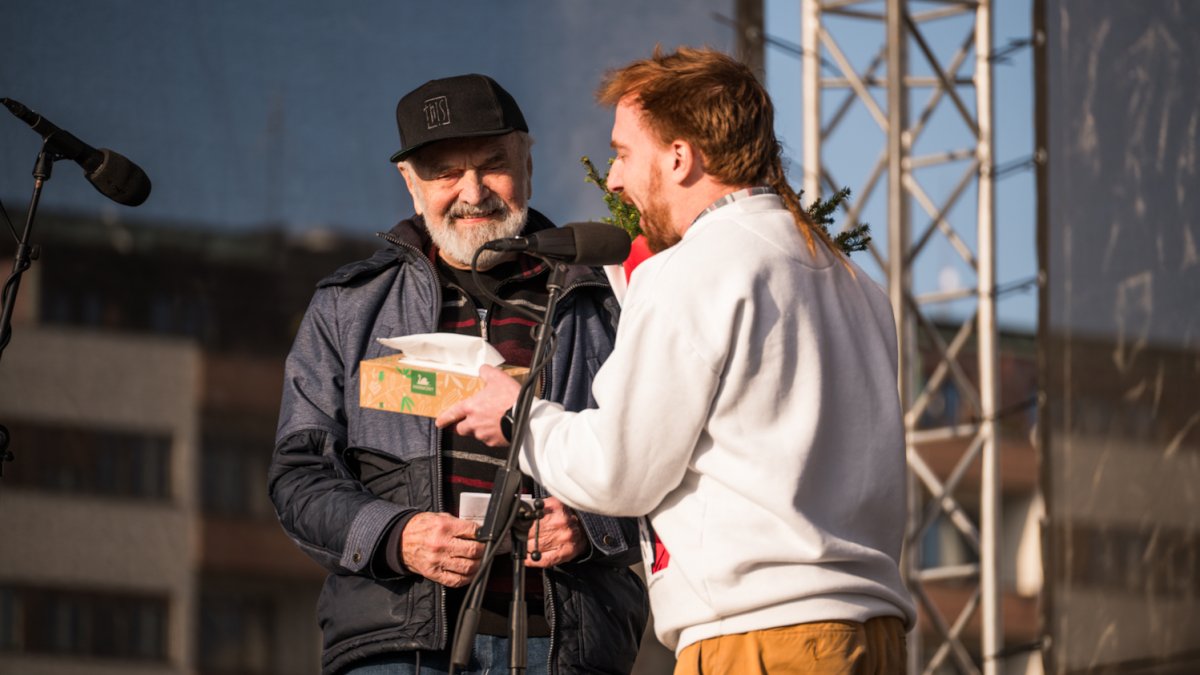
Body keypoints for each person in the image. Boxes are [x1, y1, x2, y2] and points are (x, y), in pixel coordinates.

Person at [438, 48, 917, 674]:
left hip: (761, 639)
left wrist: (515, 414)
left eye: (623, 153)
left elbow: (620, 472)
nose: (612, 179)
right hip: (869, 633)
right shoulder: (852, 280)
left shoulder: (695, 269)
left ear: (679, 156)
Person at [269, 73, 647, 675]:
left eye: (493, 164)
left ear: (527, 161)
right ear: (410, 184)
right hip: (397, 649)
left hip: (565, 648)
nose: (472, 192)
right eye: (445, 172)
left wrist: (593, 525)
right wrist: (399, 535)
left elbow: (667, 464)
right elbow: (300, 475)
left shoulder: (604, 303)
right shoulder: (349, 307)